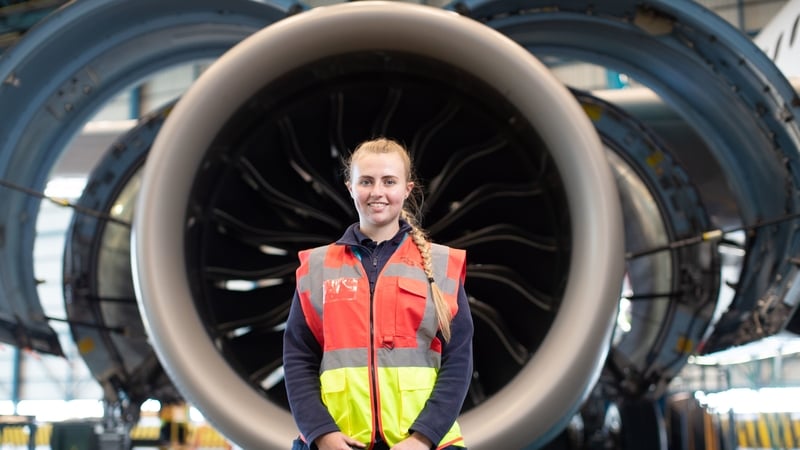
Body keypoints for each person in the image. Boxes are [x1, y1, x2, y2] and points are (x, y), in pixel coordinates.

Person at [283, 137, 474, 450]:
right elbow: (298, 358)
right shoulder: (317, 268)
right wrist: (321, 433)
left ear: (407, 189)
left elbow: (459, 359)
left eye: (389, 181)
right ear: (350, 188)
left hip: (423, 445)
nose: (377, 192)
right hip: (339, 442)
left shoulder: (441, 265)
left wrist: (424, 438)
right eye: (366, 182)